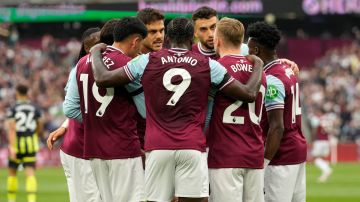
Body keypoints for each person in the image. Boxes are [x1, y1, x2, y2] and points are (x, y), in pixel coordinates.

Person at [90, 17, 264, 202]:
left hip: (157, 147)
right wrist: (259, 64)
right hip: (192, 146)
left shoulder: (146, 60)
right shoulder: (208, 65)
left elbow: (102, 78)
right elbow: (248, 93)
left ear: (167, 39)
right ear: (193, 40)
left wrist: (95, 52)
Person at [64, 17, 147, 202]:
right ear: (135, 41)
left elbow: (70, 108)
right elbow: (145, 112)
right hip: (122, 146)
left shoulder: (83, 62)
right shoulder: (128, 65)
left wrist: (97, 120)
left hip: (93, 149)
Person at [207, 17, 267, 202]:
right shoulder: (260, 72)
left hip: (225, 155)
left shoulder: (216, 69)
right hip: (254, 154)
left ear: (218, 41)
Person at [247, 21, 307, 202]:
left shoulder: (272, 79)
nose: (247, 54)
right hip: (297, 151)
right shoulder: (287, 70)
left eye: (249, 49)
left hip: (280, 156)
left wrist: (263, 163)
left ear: (256, 50)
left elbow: (277, 127)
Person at [47, 27, 101, 202]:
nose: (103, 46)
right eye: (97, 43)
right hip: (82, 147)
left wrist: (64, 125)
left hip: (85, 146)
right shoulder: (80, 68)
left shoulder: (106, 66)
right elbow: (71, 108)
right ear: (87, 48)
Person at [6, 84, 43, 202]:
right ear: (27, 93)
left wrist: (12, 147)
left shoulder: (13, 108)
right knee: (30, 173)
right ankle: (31, 200)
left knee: (12, 173)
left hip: (17, 143)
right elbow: (40, 124)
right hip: (30, 142)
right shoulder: (35, 107)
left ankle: (11, 200)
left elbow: (11, 129)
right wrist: (35, 135)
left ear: (17, 93)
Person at [310, 109, 337, 182]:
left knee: (314, 159)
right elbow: (332, 129)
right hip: (326, 141)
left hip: (319, 141)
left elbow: (314, 130)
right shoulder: (329, 120)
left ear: (320, 112)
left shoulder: (318, 119)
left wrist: (312, 140)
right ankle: (324, 176)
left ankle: (327, 170)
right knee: (321, 158)